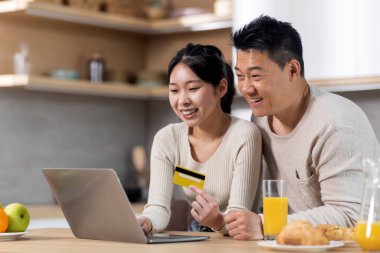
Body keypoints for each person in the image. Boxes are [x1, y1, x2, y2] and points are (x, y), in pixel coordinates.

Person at [225, 15, 380, 240]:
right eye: (240, 76)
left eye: (256, 76)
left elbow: (350, 217)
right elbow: (266, 199)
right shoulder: (260, 117)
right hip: (294, 243)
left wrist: (266, 223)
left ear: (292, 71)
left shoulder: (336, 124)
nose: (246, 88)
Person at [138, 43, 262, 234]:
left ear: (221, 88)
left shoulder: (244, 134)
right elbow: (158, 209)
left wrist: (218, 221)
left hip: (241, 239)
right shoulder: (167, 139)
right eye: (174, 90)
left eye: (193, 88)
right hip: (199, 235)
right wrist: (147, 221)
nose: (182, 100)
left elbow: (239, 216)